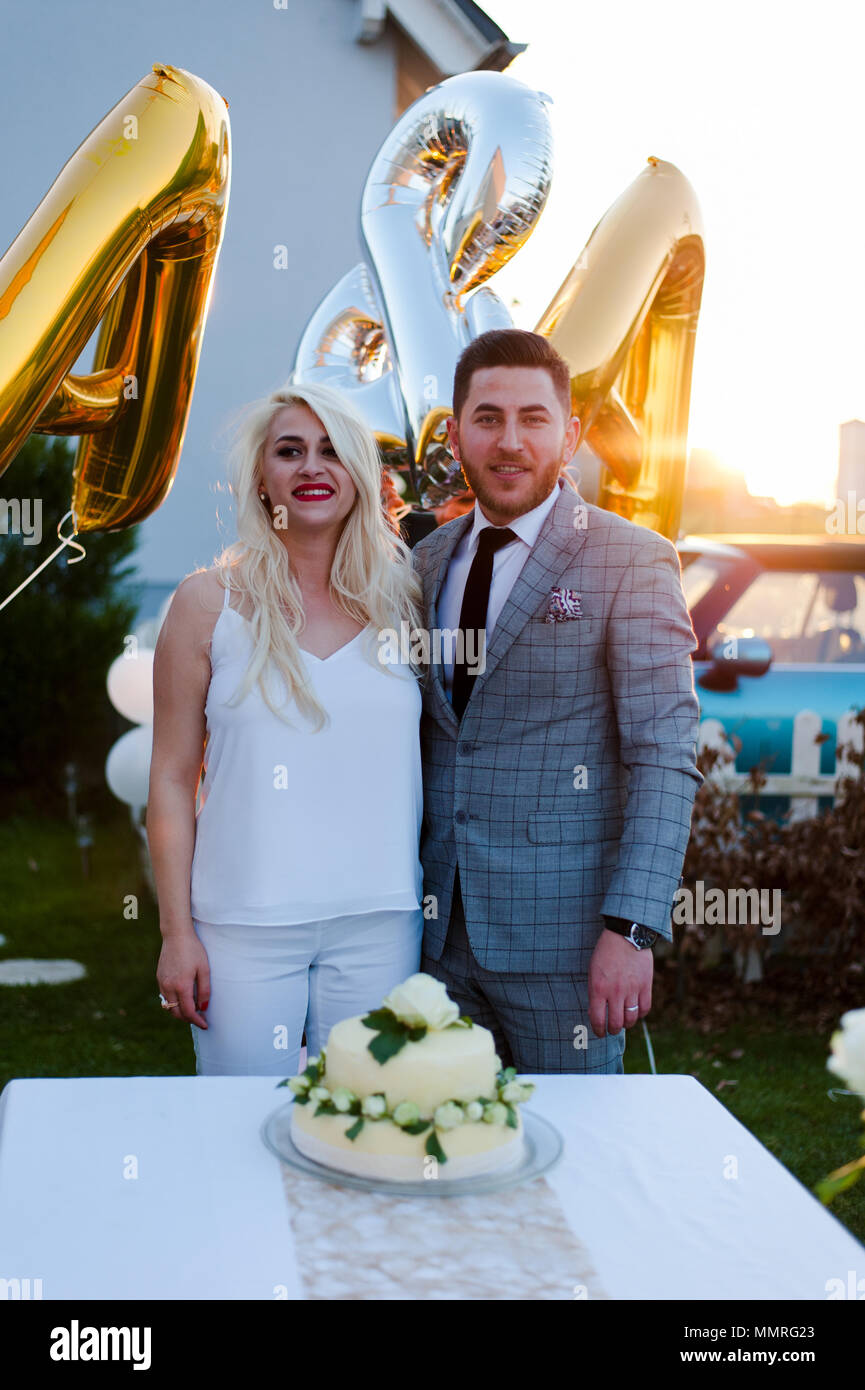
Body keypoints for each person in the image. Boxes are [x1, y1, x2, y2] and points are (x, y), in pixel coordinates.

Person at [411, 329, 703, 1074]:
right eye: (488, 418)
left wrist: (631, 930)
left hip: (567, 948)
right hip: (433, 940)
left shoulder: (630, 559)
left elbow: (663, 757)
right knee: (444, 1158)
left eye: (533, 419)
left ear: (569, 433)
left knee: (579, 1167)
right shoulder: (424, 563)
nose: (510, 442)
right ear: (456, 433)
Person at [147, 381, 425, 1075]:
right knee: (239, 1130)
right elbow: (172, 779)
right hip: (241, 926)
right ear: (260, 476)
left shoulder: (407, 601)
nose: (311, 467)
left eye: (331, 451)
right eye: (289, 451)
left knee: (366, 1125)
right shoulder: (206, 604)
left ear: (361, 475)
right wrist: (175, 933)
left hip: (380, 921)